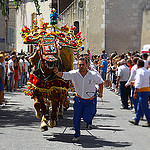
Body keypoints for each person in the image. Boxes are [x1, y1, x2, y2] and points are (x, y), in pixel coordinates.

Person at [53, 57, 103, 142]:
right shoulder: (74, 73)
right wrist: (56, 72)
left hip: (89, 100)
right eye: (79, 64)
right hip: (79, 100)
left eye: (83, 64)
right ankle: (77, 135)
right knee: (76, 118)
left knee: (87, 119)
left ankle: (86, 116)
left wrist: (101, 92)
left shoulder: (93, 74)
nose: (81, 66)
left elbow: (101, 82)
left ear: (86, 65)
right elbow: (63, 75)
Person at [129, 59, 150, 127]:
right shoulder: (147, 71)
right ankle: (137, 119)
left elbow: (138, 82)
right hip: (147, 89)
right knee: (140, 105)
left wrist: (135, 92)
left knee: (144, 106)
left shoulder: (139, 72)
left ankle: (149, 120)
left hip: (142, 90)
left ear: (137, 65)